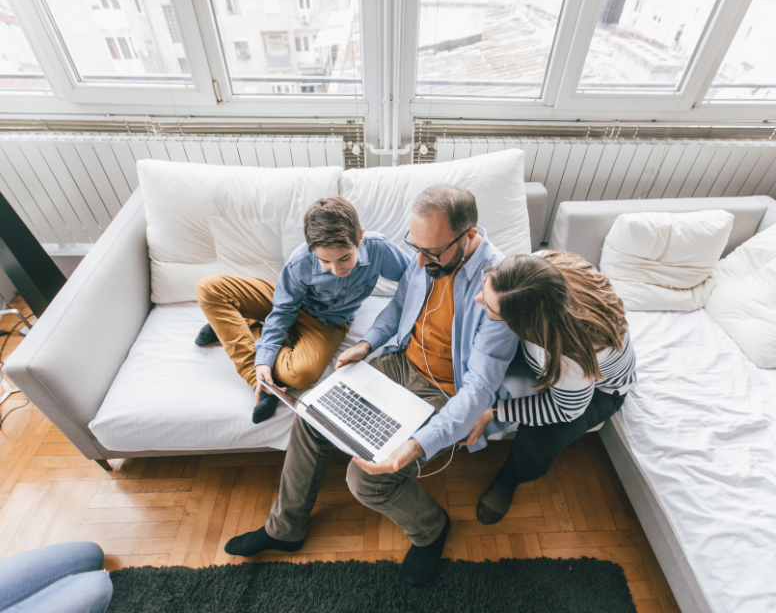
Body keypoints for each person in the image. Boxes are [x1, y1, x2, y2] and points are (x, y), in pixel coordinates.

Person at [223, 185, 519, 585]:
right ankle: (285, 528)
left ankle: (431, 528)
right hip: (399, 361)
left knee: (365, 480)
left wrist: (417, 446)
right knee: (313, 413)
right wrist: (366, 344)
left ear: (467, 236)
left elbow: (478, 390)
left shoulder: (501, 289)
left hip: (445, 392)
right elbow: (399, 306)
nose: (417, 260)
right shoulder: (427, 255)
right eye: (414, 246)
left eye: (430, 252)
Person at [195, 196, 410, 423]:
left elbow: (413, 282)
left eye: (345, 258)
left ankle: (233, 327)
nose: (336, 270)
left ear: (360, 237)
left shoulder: (379, 249)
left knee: (301, 374)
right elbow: (283, 310)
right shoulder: (300, 262)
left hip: (327, 322)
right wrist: (264, 359)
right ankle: (254, 372)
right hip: (287, 303)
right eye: (326, 262)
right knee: (209, 288)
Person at [469, 250, 637, 525]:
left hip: (599, 392)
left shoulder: (570, 358)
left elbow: (564, 409)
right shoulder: (539, 268)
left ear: (526, 325)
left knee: (539, 440)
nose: (479, 301)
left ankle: (509, 478)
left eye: (490, 307)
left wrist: (493, 412)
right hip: (554, 358)